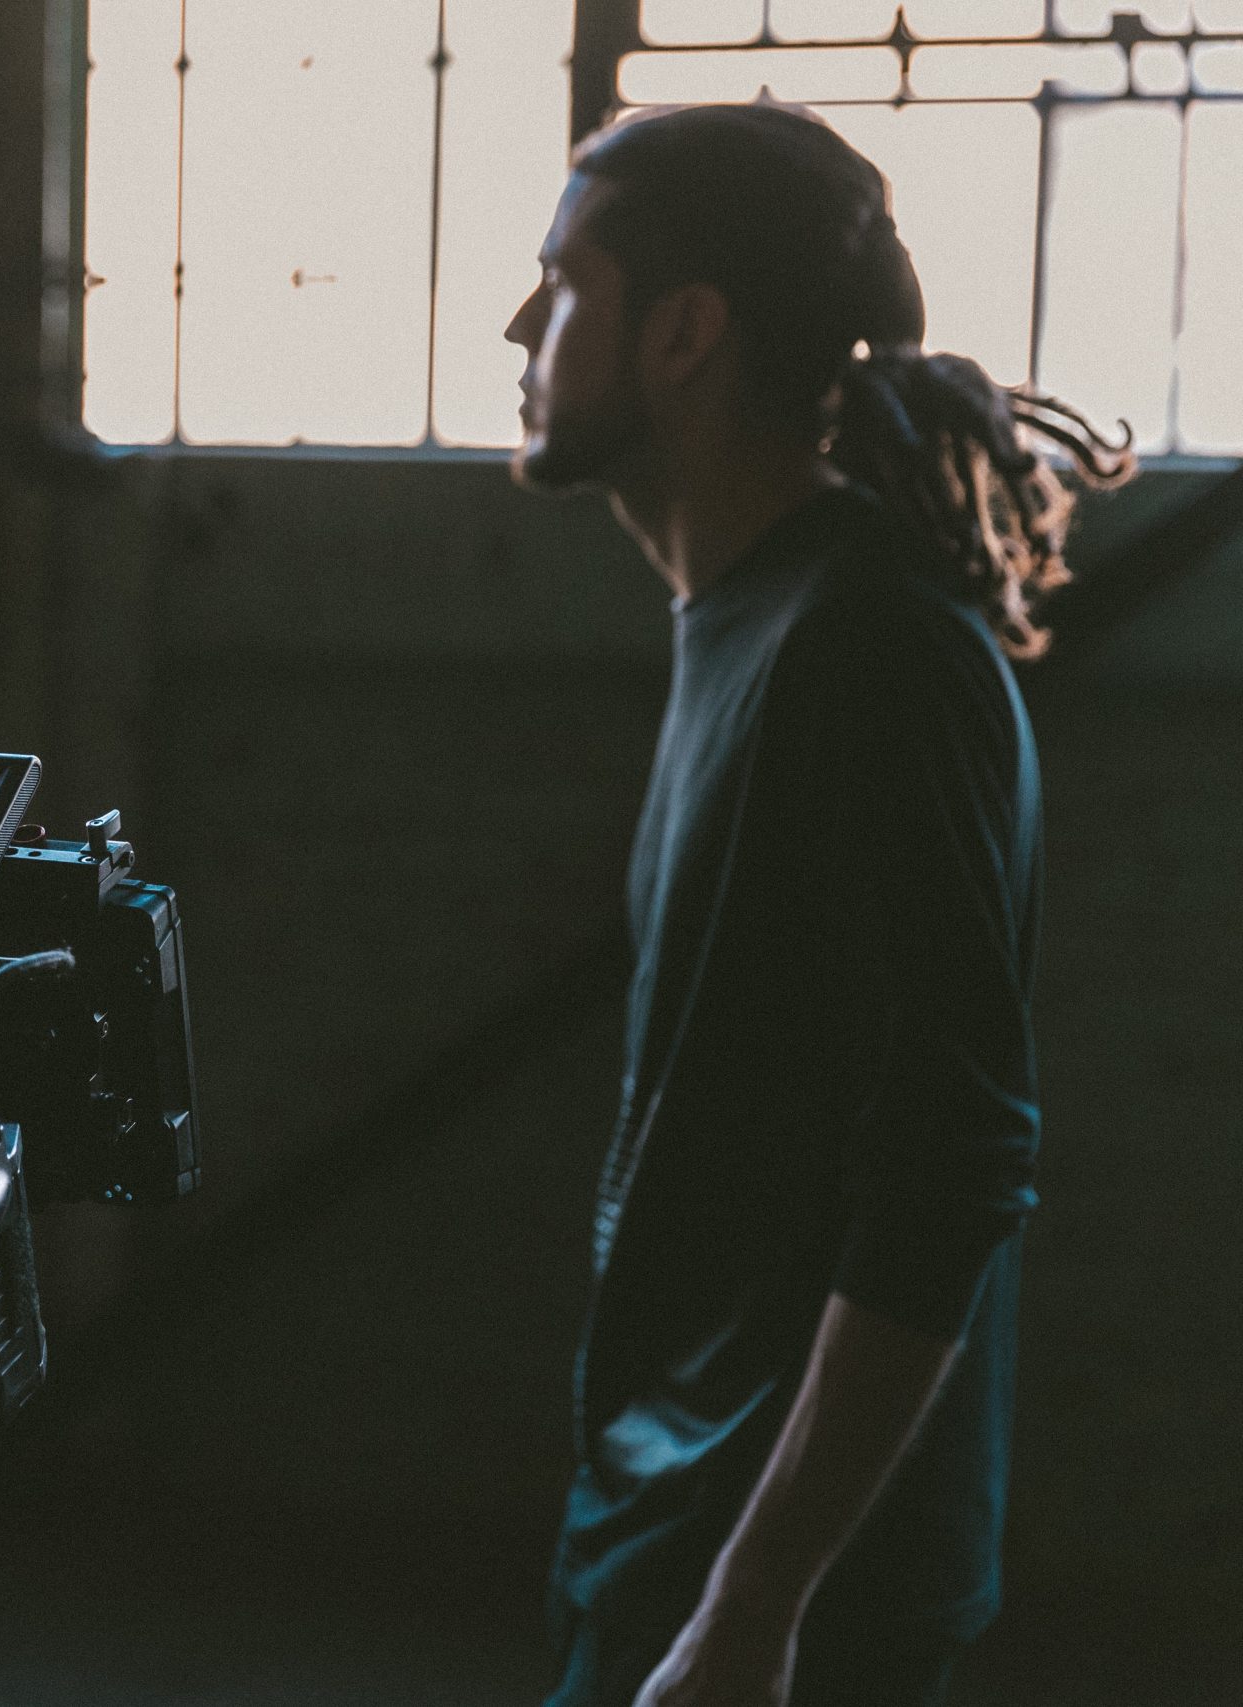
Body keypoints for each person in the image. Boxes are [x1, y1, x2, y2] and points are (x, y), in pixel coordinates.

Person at [503, 102, 1128, 1707]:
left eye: (564, 281)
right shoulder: (752, 617)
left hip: (782, 1584)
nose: (521, 319)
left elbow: (957, 1154)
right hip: (669, 1507)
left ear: (684, 332)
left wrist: (761, 1596)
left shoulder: (872, 648)